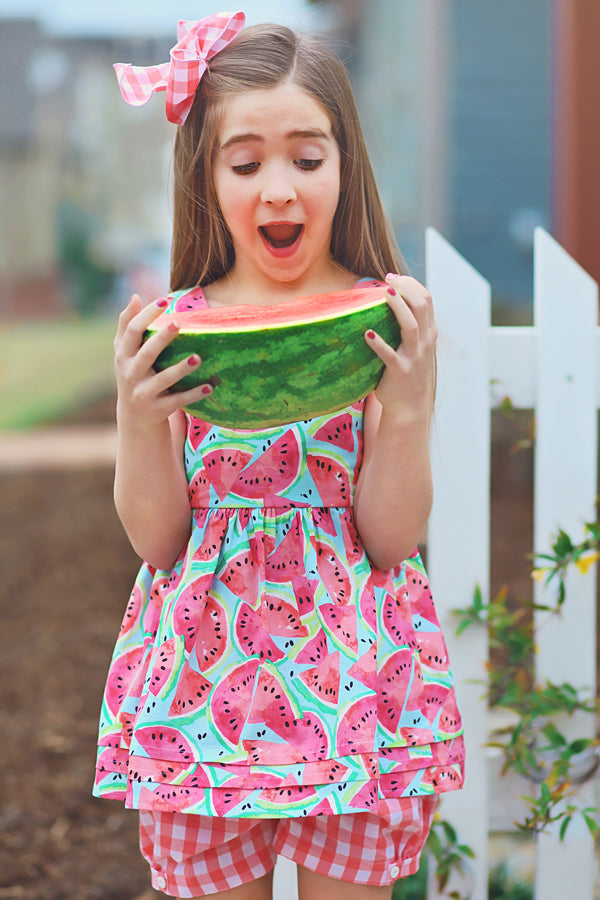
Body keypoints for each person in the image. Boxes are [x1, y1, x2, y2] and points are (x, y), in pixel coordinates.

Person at [94, 11, 465, 900]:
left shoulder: (386, 321)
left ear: (346, 164)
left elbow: (391, 538)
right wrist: (138, 418)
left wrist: (407, 409)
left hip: (353, 681)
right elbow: (155, 542)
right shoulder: (176, 330)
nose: (280, 189)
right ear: (207, 176)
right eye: (246, 161)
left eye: (308, 156)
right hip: (201, 678)